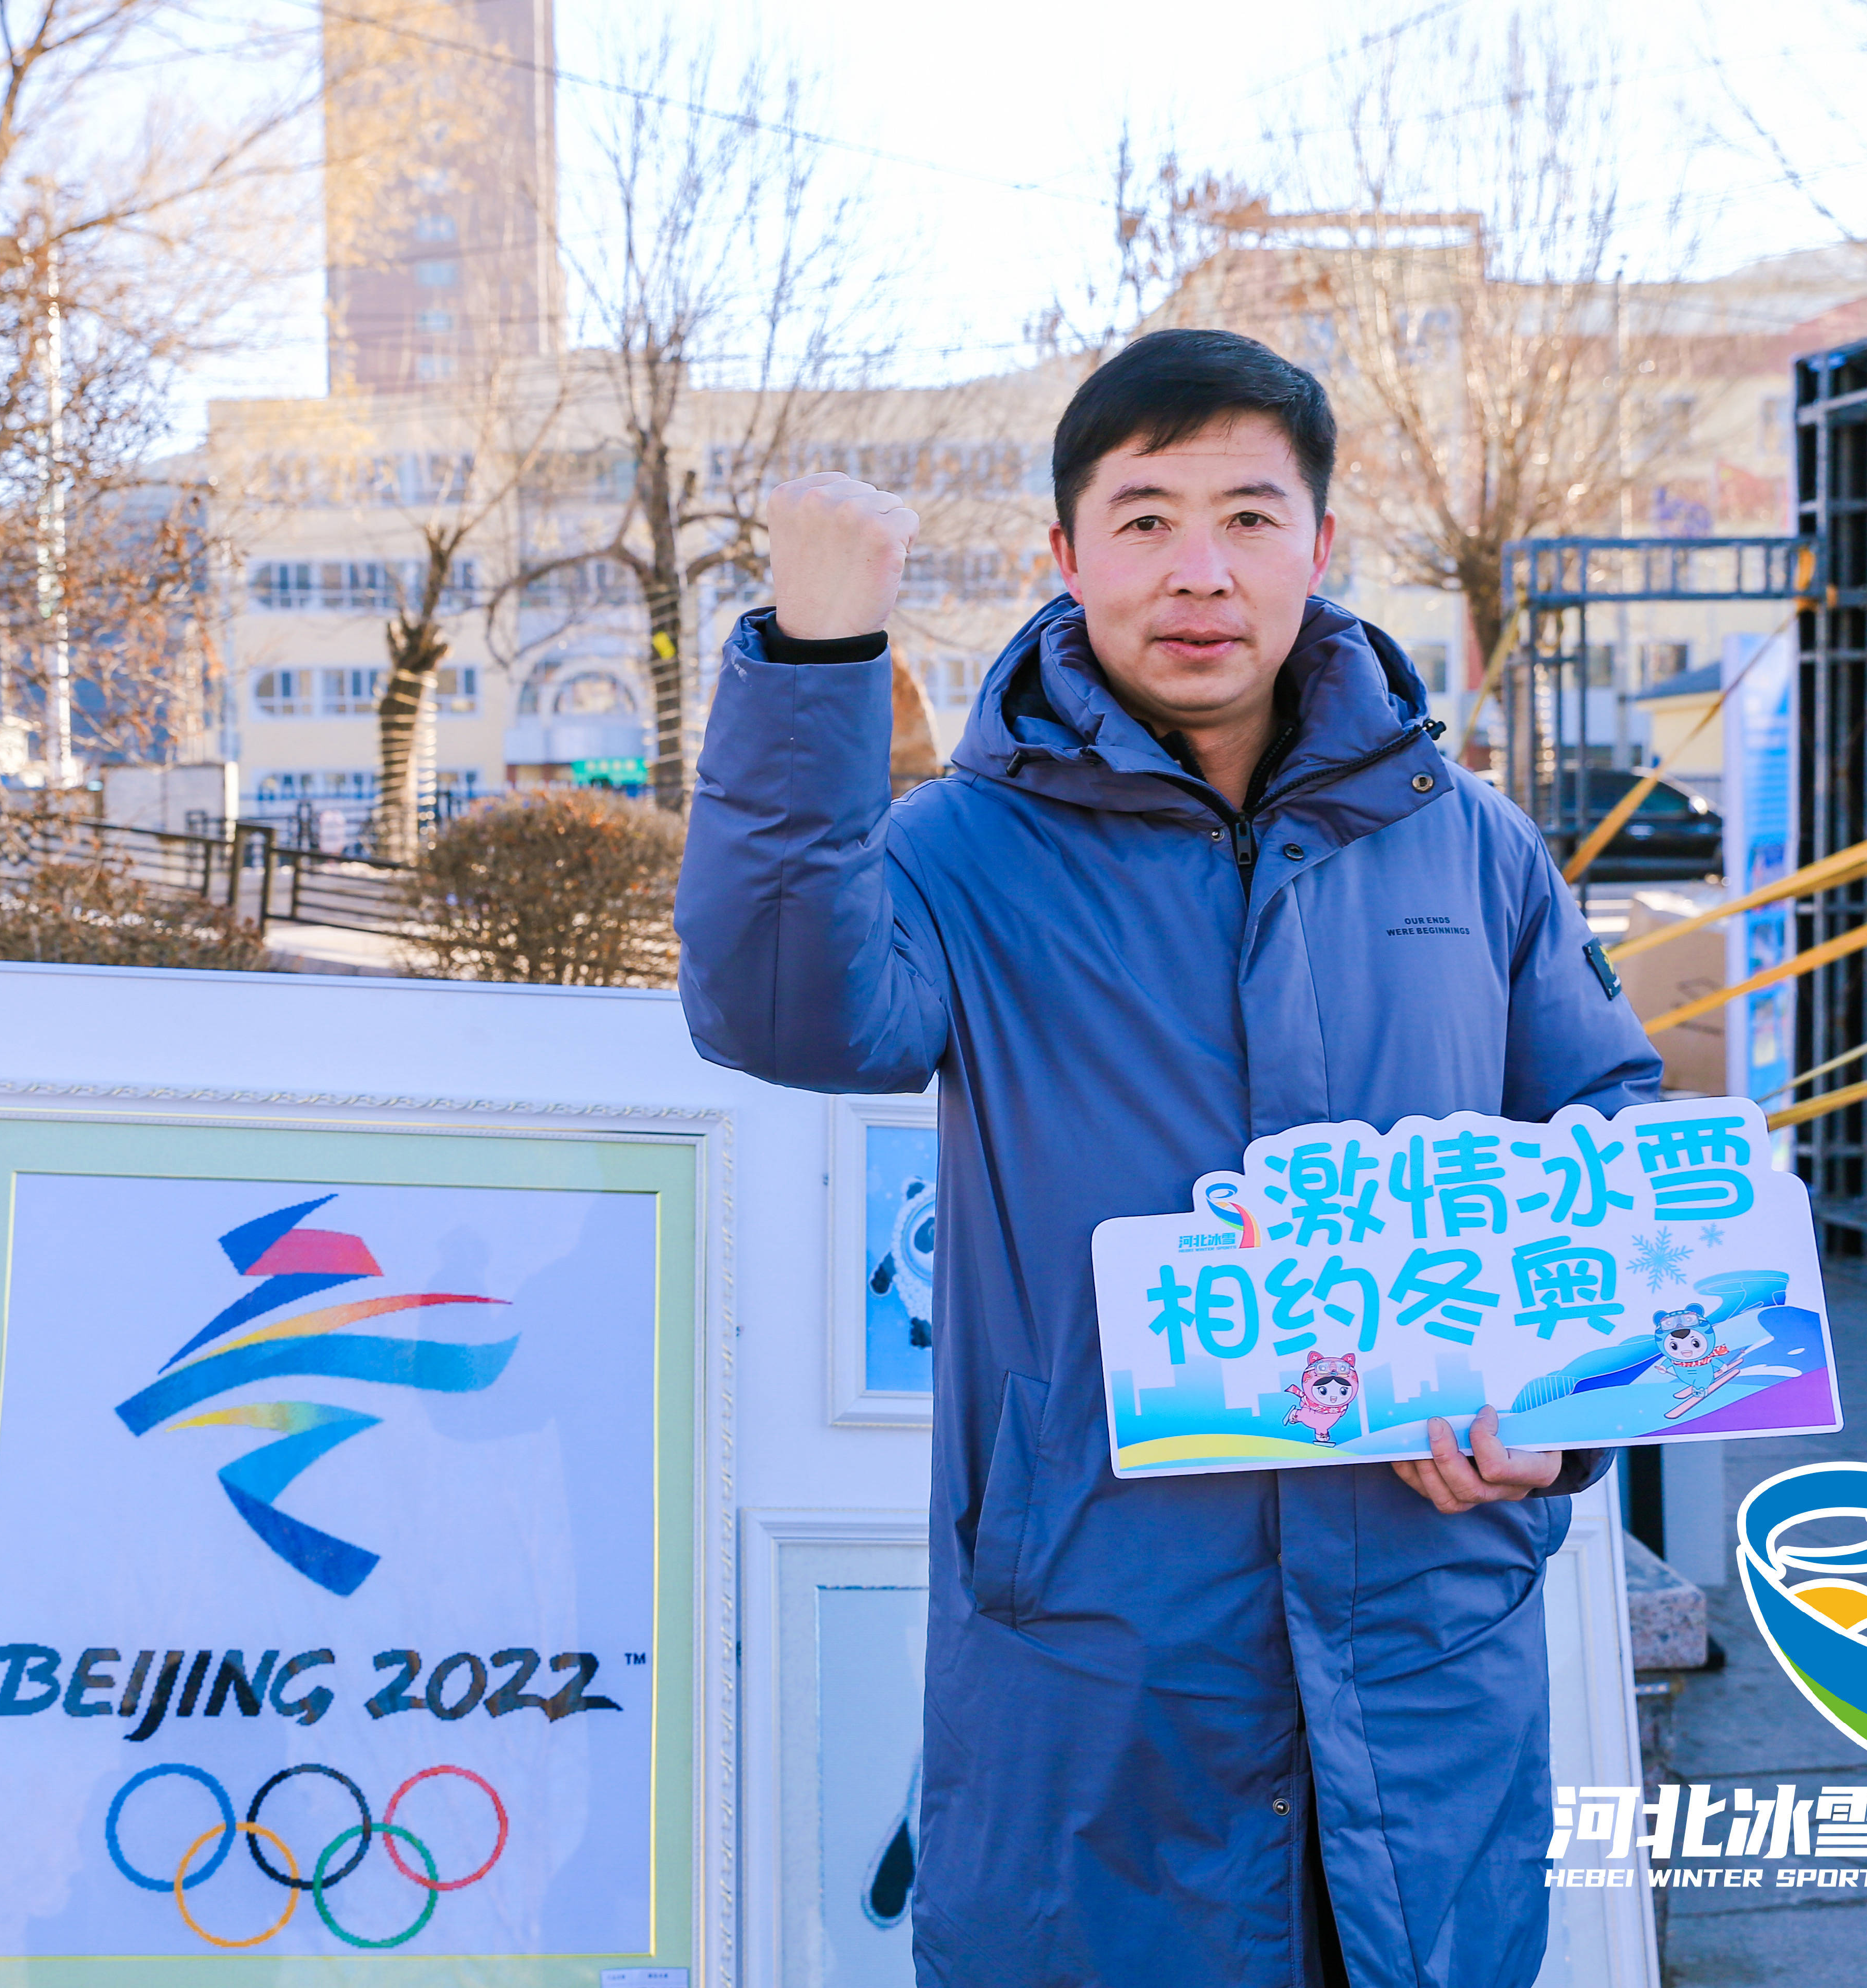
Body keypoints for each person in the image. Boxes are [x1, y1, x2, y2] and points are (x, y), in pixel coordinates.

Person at [675, 329, 1661, 1988]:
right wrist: (812, 651)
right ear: (1064, 558)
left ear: (1322, 546)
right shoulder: (963, 851)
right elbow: (780, 1010)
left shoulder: (1464, 841)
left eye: (1250, 518)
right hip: (1105, 1652)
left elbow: (1615, 1139)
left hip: (1424, 1632)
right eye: (1142, 521)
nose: (1199, 573)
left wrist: (1553, 1424)